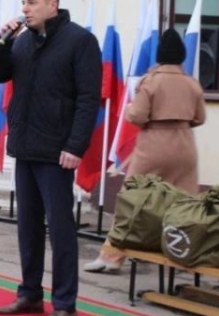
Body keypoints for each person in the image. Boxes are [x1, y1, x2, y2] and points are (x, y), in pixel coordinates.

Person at [0, 0, 101, 316]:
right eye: (23, 2)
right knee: (28, 225)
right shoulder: (21, 40)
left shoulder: (79, 41)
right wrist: (1, 42)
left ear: (53, 5)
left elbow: (88, 99)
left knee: (60, 227)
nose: (25, 9)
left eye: (32, 2)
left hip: (57, 149)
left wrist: (75, 146)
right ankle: (30, 292)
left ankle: (65, 305)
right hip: (26, 145)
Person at [85, 29, 206, 273]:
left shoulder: (150, 81)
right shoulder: (192, 84)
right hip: (184, 145)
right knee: (184, 204)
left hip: (153, 143)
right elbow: (199, 117)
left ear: (159, 55)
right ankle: (183, 256)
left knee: (131, 201)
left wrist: (130, 109)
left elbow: (137, 115)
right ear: (182, 55)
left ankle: (111, 257)